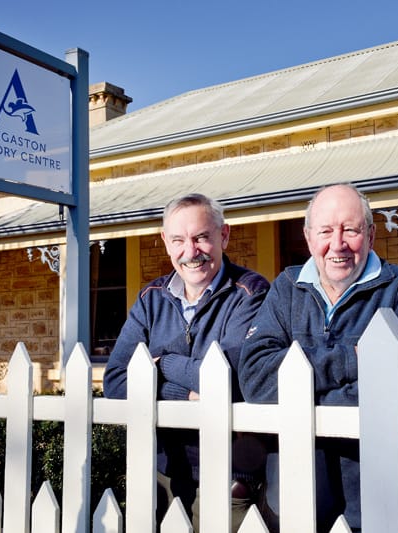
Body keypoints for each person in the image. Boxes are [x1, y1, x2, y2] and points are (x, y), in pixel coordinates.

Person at [238, 183, 398, 532]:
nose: (338, 244)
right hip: (295, 502)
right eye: (326, 231)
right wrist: (352, 360)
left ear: (372, 234)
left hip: (381, 502)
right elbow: (256, 380)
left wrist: (304, 390)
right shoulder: (287, 289)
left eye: (350, 229)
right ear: (307, 236)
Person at [103, 193, 270, 531]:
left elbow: (232, 380)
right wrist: (186, 393)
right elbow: (117, 382)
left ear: (223, 236)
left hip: (230, 474)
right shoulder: (152, 298)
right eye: (178, 240)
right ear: (166, 242)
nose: (190, 252)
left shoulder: (250, 292)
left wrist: (162, 363)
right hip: (167, 469)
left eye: (201, 237)